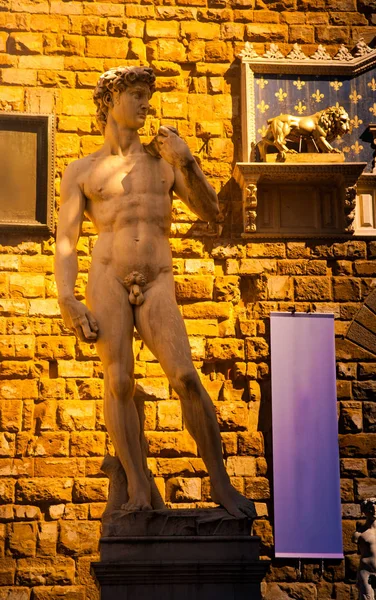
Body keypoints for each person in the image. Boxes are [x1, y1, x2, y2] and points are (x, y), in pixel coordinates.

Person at [55, 65, 256, 519]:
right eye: (139, 95)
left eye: (148, 96)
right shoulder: (83, 171)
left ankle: (221, 484)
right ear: (111, 101)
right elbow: (65, 240)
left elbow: (211, 213)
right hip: (106, 277)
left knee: (185, 377)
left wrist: (187, 160)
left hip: (159, 278)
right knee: (119, 381)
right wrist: (67, 297)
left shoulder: (163, 162)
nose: (147, 104)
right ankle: (140, 489)